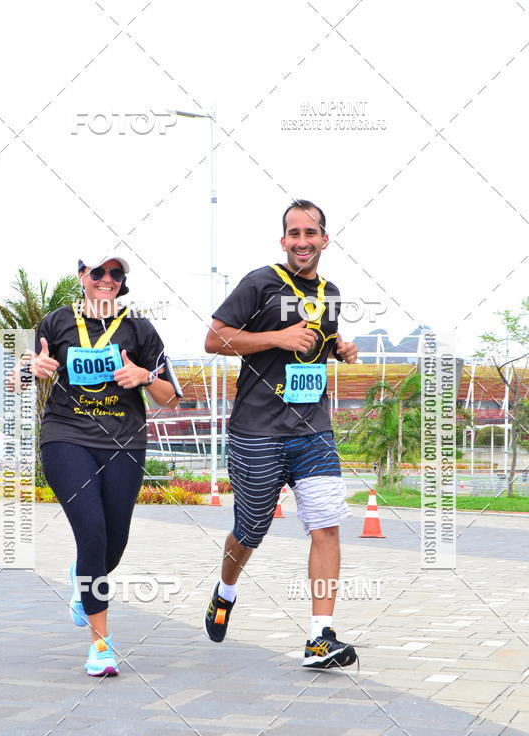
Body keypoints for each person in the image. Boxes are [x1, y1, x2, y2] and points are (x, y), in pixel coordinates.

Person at [203, 200, 359, 669]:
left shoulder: (330, 292)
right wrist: (276, 337)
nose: (302, 241)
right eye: (294, 233)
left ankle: (319, 637)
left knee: (326, 524)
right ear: (284, 240)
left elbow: (315, 344)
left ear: (324, 239)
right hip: (257, 428)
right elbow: (214, 339)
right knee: (251, 530)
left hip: (313, 428)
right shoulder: (259, 283)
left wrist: (339, 348)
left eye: (310, 233)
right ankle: (225, 591)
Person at [32, 254, 179, 677]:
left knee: (112, 545)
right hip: (67, 438)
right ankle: (101, 645)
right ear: (82, 277)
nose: (107, 279)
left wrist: (145, 378)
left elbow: (171, 398)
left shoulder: (141, 329)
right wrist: (31, 367)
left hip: (124, 443)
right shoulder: (56, 323)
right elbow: (18, 377)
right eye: (99, 272)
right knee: (92, 533)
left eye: (116, 274)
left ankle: (83, 576)